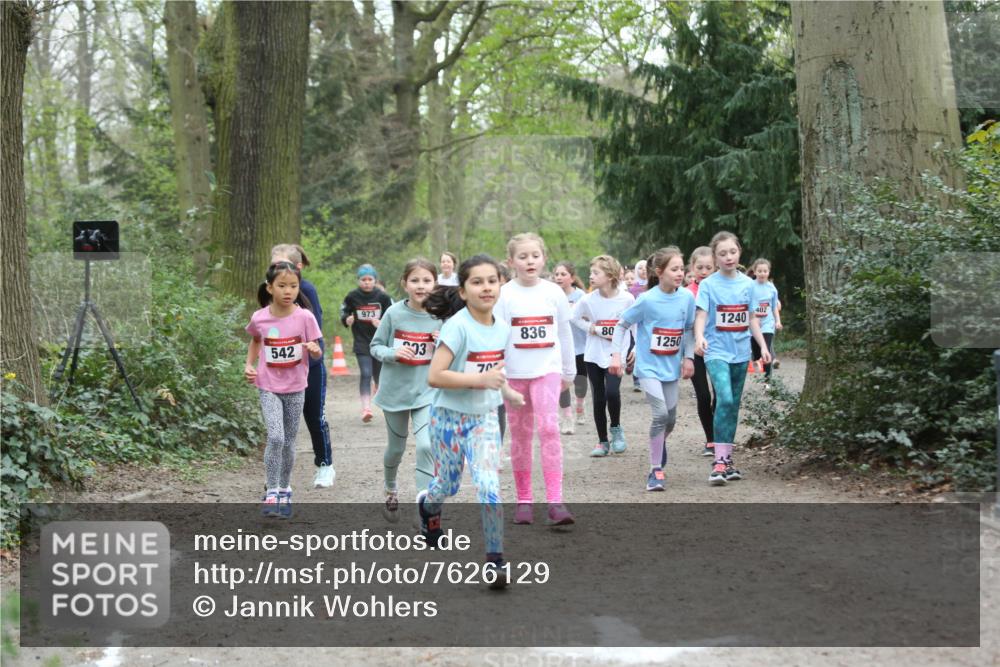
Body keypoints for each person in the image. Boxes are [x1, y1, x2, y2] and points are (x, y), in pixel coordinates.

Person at [418, 255, 525, 589]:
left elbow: (493, 370)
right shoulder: (457, 327)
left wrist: (508, 390)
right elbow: (435, 376)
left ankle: (495, 561)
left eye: (492, 281)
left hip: (485, 419)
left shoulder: (503, 328)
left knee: (489, 488)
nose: (486, 287)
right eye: (477, 282)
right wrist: (482, 381)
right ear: (463, 291)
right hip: (448, 419)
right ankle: (428, 507)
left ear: (501, 286)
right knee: (447, 486)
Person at [495, 233, 576, 526]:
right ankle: (524, 500)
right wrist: (498, 371)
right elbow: (496, 335)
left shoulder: (554, 292)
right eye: (523, 257)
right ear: (511, 261)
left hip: (547, 370)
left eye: (535, 256)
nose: (530, 261)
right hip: (515, 375)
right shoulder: (503, 294)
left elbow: (564, 333)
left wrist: (569, 370)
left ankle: (556, 502)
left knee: (549, 428)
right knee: (520, 436)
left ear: (544, 258)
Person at [610, 247, 695, 491]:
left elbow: (689, 329)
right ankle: (655, 471)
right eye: (674, 269)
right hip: (647, 368)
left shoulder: (687, 298)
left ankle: (659, 443)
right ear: (659, 272)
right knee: (660, 415)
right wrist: (616, 355)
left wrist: (688, 358)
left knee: (670, 420)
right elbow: (621, 325)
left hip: (671, 368)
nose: (680, 273)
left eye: (682, 269)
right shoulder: (647, 300)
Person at [244, 262, 323, 518]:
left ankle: (284, 488)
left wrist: (314, 350)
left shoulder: (305, 317)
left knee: (289, 442)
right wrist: (249, 365)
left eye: (293, 286)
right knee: (276, 437)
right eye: (282, 286)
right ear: (269, 288)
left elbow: (318, 350)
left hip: (296, 386)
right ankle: (271, 490)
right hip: (268, 385)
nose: (288, 291)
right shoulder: (260, 317)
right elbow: (256, 340)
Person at [694, 231, 771, 486]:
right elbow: (702, 316)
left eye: (733, 252)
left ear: (740, 253)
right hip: (715, 351)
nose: (728, 257)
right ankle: (718, 461)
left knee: (732, 405)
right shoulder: (708, 285)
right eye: (722, 253)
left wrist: (762, 346)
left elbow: (752, 319)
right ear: (715, 258)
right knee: (724, 398)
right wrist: (699, 337)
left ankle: (727, 461)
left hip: (740, 353)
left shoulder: (749, 285)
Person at [370, 259, 441, 523]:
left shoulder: (441, 315)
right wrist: (393, 352)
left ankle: (425, 509)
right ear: (405, 283)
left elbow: (453, 352)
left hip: (427, 392)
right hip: (396, 392)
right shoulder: (394, 314)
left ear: (434, 283)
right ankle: (390, 488)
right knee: (396, 448)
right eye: (415, 280)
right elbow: (376, 347)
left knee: (426, 445)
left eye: (426, 280)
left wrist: (442, 343)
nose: (421, 286)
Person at [270, 244, 335, 489]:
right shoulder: (269, 290)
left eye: (282, 264)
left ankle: (325, 464)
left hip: (309, 366)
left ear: (297, 268)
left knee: (314, 417)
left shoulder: (306, 290)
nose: (276, 270)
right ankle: (277, 476)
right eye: (273, 265)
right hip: (280, 369)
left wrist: (311, 356)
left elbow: (314, 331)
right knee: (281, 425)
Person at [572, 255, 634, 457]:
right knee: (598, 397)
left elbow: (635, 326)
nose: (591, 276)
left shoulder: (626, 299)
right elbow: (573, 317)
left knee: (612, 393)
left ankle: (616, 429)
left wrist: (635, 349)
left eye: (595, 273)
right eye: (590, 273)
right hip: (593, 354)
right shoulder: (588, 300)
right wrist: (590, 327)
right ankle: (602, 441)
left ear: (609, 275)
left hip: (616, 354)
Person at [340, 265, 393, 422]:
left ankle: (379, 392)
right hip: (361, 341)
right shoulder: (352, 296)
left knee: (378, 376)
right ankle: (366, 408)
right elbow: (343, 310)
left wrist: (382, 322)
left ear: (375, 280)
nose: (367, 282)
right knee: (365, 373)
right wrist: (346, 319)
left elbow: (393, 316)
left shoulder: (383, 297)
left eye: (370, 279)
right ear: (358, 281)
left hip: (379, 342)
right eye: (363, 279)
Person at [687, 246, 717, 457]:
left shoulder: (719, 288)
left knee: (721, 395)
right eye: (700, 267)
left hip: (718, 349)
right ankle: (710, 440)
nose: (704, 271)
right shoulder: (686, 293)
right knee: (703, 396)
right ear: (692, 267)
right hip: (694, 350)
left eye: (708, 267)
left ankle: (719, 434)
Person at [552, 261, 589, 433]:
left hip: (580, 346)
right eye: (557, 274)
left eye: (563, 274)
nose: (559, 277)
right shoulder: (552, 295)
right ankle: (567, 417)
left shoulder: (581, 296)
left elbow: (590, 317)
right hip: (560, 346)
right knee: (563, 382)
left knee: (580, 381)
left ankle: (580, 405)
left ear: (572, 278)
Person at [748, 258, 782, 380]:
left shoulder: (772, 288)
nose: (762, 273)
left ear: (769, 272)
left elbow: (774, 307)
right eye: (760, 271)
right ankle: (756, 360)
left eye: (765, 271)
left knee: (766, 349)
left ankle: (768, 381)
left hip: (768, 323)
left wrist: (778, 321)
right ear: (754, 272)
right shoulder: (750, 286)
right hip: (753, 324)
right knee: (757, 352)